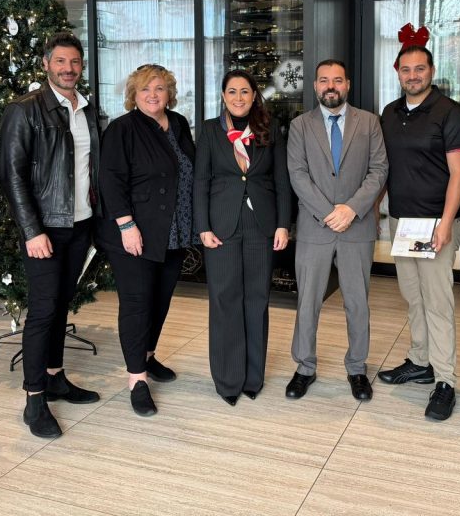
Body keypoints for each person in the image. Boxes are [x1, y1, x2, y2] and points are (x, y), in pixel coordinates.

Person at [0, 32, 101, 439]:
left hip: (81, 226)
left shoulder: (87, 109)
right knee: (43, 311)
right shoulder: (24, 110)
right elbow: (12, 176)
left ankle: (55, 377)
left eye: (74, 62)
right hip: (45, 229)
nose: (68, 69)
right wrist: (32, 230)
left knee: (60, 306)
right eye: (60, 61)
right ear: (45, 64)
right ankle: (34, 398)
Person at [377, 45, 460, 422]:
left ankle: (446, 380)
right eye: (406, 69)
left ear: (431, 71)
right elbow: (384, 168)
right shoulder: (389, 113)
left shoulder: (450, 112)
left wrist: (446, 222)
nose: (413, 75)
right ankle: (420, 361)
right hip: (403, 222)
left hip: (436, 223)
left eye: (419, 69)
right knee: (412, 296)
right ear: (397, 72)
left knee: (437, 302)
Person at [285, 59, 388, 401]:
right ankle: (304, 367)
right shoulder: (300, 126)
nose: (331, 86)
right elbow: (297, 174)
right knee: (308, 302)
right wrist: (330, 213)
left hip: (356, 227)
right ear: (315, 86)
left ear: (348, 85)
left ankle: (357, 368)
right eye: (324, 80)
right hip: (315, 227)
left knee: (357, 303)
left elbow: (379, 170)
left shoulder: (369, 122)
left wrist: (351, 209)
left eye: (338, 80)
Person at [97, 63, 196, 417]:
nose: (153, 95)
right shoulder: (122, 129)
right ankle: (136, 378)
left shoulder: (179, 123)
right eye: (145, 89)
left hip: (175, 230)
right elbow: (110, 180)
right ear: (133, 95)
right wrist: (126, 225)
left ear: (169, 93)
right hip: (135, 233)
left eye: (159, 88)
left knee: (161, 300)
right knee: (137, 304)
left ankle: (148, 356)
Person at [194, 69, 292, 405]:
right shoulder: (210, 130)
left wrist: (283, 224)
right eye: (232, 92)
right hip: (221, 225)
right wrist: (203, 227)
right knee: (225, 300)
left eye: (245, 91)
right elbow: (200, 182)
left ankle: (253, 377)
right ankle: (227, 379)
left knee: (256, 299)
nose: (239, 98)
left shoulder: (269, 128)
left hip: (261, 226)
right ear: (223, 96)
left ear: (254, 96)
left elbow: (281, 180)